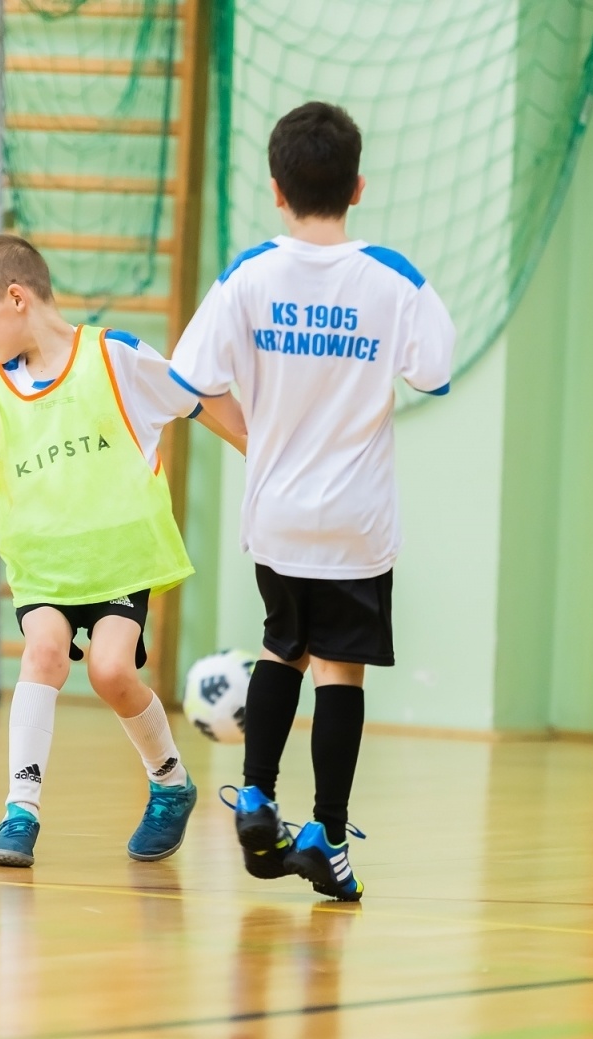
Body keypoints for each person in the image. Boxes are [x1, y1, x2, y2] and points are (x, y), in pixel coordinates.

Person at [169, 102, 456, 901]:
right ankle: (328, 833)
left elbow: (187, 383)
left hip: (278, 514)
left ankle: (258, 793)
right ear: (357, 186)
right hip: (356, 521)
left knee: (280, 647)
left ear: (276, 189)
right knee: (341, 670)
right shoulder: (394, 279)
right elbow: (431, 372)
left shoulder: (250, 273)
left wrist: (259, 442)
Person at [0, 234, 246, 868]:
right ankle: (20, 810)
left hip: (115, 564)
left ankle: (170, 784)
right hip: (44, 569)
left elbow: (196, 399)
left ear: (15, 299)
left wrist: (264, 450)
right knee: (44, 653)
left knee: (111, 672)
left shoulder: (116, 357)